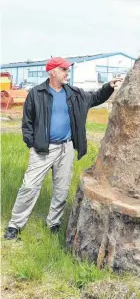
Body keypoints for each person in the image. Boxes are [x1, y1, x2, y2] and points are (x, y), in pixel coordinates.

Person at [4, 57, 122, 240]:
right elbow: (27, 122)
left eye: (67, 70)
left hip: (66, 149)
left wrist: (108, 86)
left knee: (61, 188)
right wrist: (32, 144)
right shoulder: (36, 93)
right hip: (43, 149)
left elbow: (95, 98)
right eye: (64, 70)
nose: (67, 73)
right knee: (29, 187)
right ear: (52, 72)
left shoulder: (74, 93)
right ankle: (15, 225)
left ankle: (53, 223)